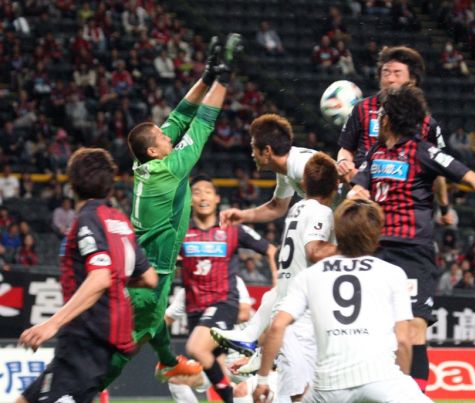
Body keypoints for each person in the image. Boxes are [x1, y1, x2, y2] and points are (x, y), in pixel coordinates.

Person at [349, 84, 475, 392]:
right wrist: (355, 192)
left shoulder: (423, 151)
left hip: (411, 253)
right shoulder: (375, 153)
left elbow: (473, 178)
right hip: (375, 253)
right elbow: (358, 185)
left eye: (381, 115)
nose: (377, 120)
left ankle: (412, 396)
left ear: (390, 119)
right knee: (378, 333)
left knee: (413, 332)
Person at [101, 33, 243, 389]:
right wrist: (225, 79)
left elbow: (180, 117)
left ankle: (167, 363)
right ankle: (89, 389)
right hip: (153, 273)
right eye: (163, 139)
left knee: (151, 326)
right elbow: (202, 123)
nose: (169, 137)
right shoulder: (168, 169)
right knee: (129, 346)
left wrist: (207, 76)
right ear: (154, 151)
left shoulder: (147, 162)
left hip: (145, 266)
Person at [253, 199, 432, 403]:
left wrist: (262, 380)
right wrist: (403, 383)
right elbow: (403, 340)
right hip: (381, 379)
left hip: (327, 388)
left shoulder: (309, 276)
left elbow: (277, 326)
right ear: (377, 234)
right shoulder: (392, 273)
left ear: (337, 232)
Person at [17, 148, 157, 403]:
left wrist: (52, 323)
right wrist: (118, 279)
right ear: (109, 185)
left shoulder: (88, 219)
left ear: (72, 184)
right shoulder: (120, 222)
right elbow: (149, 278)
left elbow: (100, 277)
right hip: (103, 340)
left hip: (85, 338)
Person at [215, 152, 339, 402]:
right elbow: (314, 250)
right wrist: (352, 248)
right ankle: (255, 348)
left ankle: (255, 347)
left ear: (303, 184)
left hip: (290, 307)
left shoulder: (296, 208)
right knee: (297, 394)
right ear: (335, 188)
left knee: (298, 391)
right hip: (301, 318)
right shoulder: (321, 213)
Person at [166, 174, 277, 403]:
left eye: (207, 191)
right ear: (189, 200)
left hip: (223, 304)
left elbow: (271, 250)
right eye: (196, 192)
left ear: (217, 198)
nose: (202, 196)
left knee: (196, 347)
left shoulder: (233, 231)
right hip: (197, 312)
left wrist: (277, 284)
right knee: (182, 377)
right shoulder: (181, 233)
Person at [335, 45, 454, 236]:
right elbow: (346, 148)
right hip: (361, 204)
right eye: (386, 72)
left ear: (412, 80)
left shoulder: (426, 123)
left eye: (397, 73)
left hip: (404, 213)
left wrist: (444, 207)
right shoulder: (361, 109)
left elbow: (437, 172)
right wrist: (344, 162)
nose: (390, 79)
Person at [219, 113, 317, 227]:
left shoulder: (303, 166)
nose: (252, 154)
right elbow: (277, 207)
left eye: (253, 149)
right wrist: (243, 215)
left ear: (267, 151)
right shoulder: (285, 169)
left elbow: (332, 195)